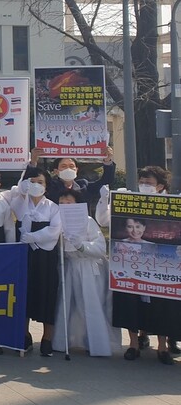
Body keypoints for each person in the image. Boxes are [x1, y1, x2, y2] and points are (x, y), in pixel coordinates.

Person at [99, 165, 180, 364]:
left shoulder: (170, 204)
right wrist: (105, 200)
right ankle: (134, 344)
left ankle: (162, 347)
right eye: (142, 182)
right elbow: (103, 219)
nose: (144, 186)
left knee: (162, 304)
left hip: (160, 269)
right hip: (129, 268)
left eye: (149, 183)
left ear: (160, 186)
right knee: (129, 304)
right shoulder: (130, 201)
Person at [2, 168, 63, 357]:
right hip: (23, 254)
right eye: (32, 182)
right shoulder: (20, 203)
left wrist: (34, 237)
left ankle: (47, 338)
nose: (36, 185)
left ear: (46, 186)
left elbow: (55, 231)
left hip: (45, 255)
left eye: (40, 182)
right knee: (24, 293)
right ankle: (24, 335)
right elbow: (19, 192)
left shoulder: (53, 207)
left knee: (47, 293)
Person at [51, 189, 117, 357]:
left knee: (90, 304)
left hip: (88, 268)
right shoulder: (56, 221)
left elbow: (101, 247)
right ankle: (64, 341)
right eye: (62, 203)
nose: (65, 206)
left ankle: (96, 343)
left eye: (69, 203)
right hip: (69, 266)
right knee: (68, 305)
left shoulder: (88, 221)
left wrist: (82, 245)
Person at [25, 147, 115, 214]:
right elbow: (30, 182)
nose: (68, 169)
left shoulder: (84, 186)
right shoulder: (49, 186)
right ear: (56, 171)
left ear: (76, 170)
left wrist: (108, 160)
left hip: (80, 230)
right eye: (64, 166)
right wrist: (33, 162)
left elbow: (106, 181)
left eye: (71, 166)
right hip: (55, 229)